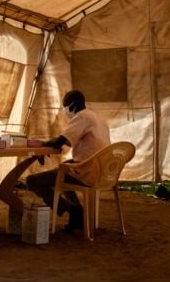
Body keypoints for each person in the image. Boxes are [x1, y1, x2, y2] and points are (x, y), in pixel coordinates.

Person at [26, 90, 111, 232]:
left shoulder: (82, 116)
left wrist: (44, 146)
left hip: (87, 172)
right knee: (64, 168)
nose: (64, 109)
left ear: (72, 105)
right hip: (103, 172)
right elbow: (71, 140)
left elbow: (61, 140)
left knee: (32, 181)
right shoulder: (97, 118)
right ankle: (76, 210)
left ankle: (73, 211)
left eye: (64, 105)